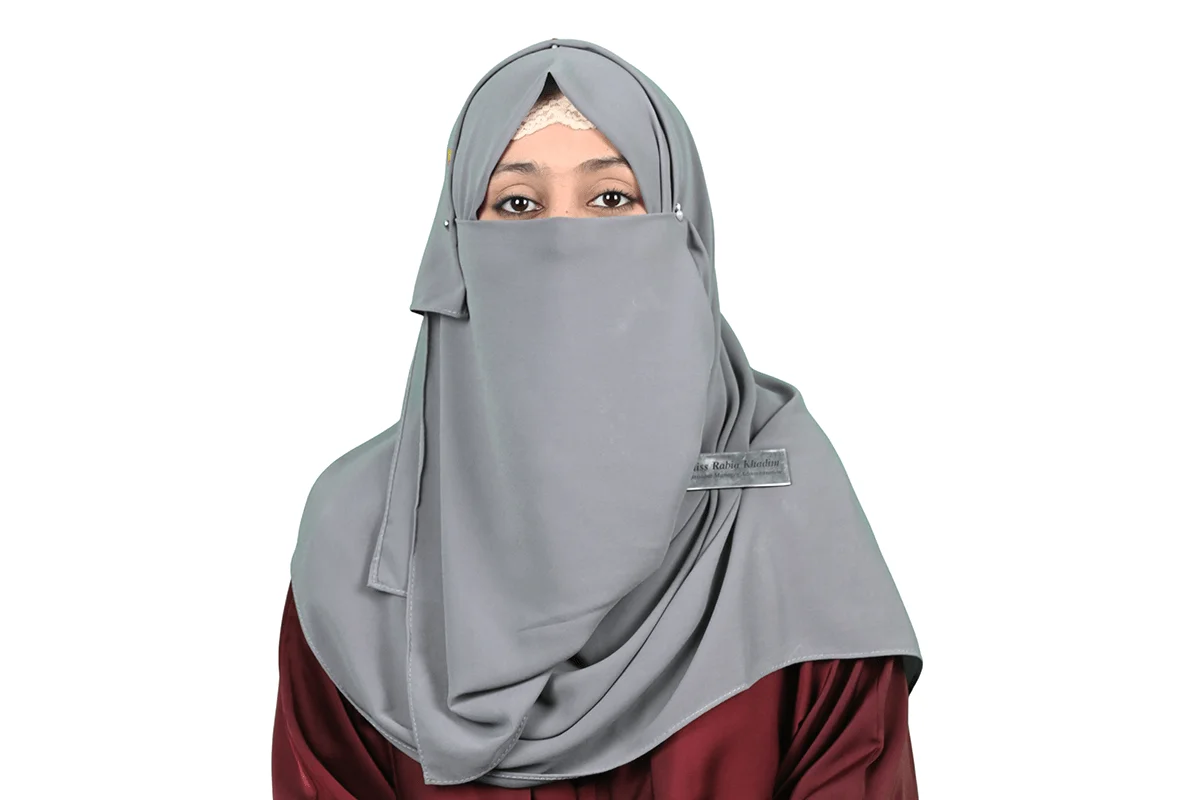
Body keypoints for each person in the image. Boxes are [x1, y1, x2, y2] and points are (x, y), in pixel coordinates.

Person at [274, 38, 922, 799]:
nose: (565, 240)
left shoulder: (790, 520)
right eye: (518, 204)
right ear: (454, 253)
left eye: (611, 199)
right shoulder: (360, 533)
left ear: (686, 234)